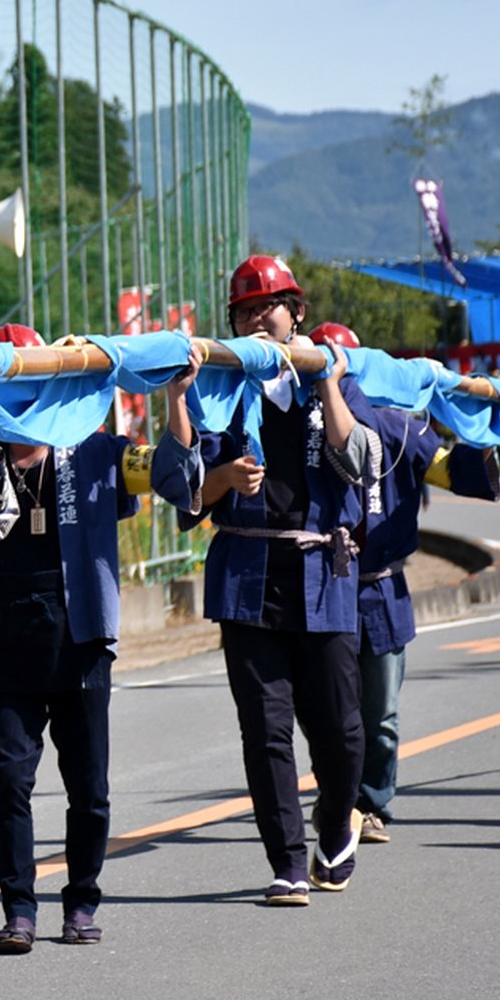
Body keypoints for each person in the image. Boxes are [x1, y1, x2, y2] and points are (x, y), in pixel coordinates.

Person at [0, 323, 196, 953]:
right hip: (8, 643)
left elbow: (173, 476)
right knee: (10, 782)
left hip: (80, 637)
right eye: (12, 388)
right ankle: (18, 909)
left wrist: (177, 397)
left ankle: (82, 900)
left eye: (35, 386)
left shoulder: (96, 452)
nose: (25, 402)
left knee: (89, 788)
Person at [152, 254, 380, 906]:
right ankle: (286, 862)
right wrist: (221, 473)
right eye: (245, 311)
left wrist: (328, 380)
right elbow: (182, 489)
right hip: (247, 578)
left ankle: (335, 823)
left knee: (341, 730)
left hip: (322, 573)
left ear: (295, 313)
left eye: (268, 307)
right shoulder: (221, 386)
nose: (257, 318)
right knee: (265, 729)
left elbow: (361, 462)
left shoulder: (327, 372)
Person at [307, 322, 500, 845]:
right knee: (327, 712)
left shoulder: (403, 430)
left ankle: (370, 804)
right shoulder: (297, 431)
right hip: (321, 585)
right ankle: (336, 799)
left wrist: (484, 426)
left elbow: (455, 472)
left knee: (381, 714)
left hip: (381, 589)